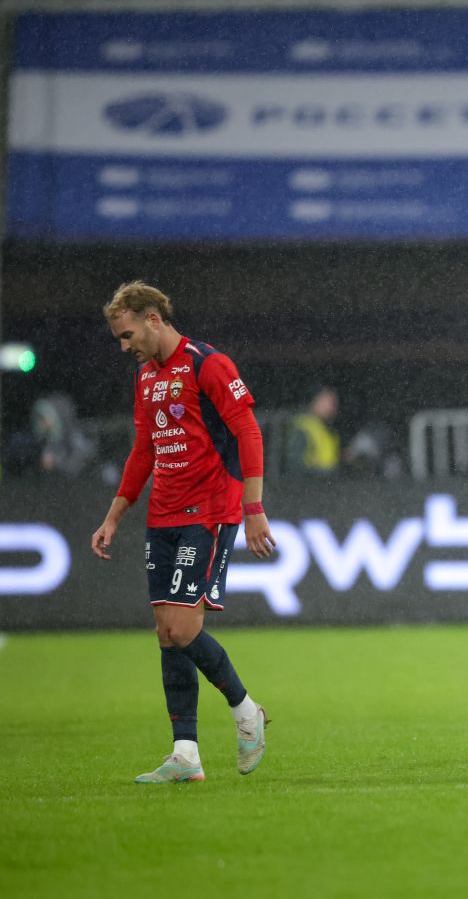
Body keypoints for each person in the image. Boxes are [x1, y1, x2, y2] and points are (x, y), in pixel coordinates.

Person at [90, 281, 275, 783]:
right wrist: (114, 516)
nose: (124, 346)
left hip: (209, 511)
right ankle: (186, 755)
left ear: (153, 319)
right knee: (166, 634)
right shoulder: (146, 378)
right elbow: (144, 450)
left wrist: (253, 507)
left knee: (182, 629)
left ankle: (246, 712)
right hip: (163, 516)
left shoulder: (207, 364)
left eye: (127, 334)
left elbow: (248, 431)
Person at [287, 385, 341, 476]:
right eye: (328, 402)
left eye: (334, 403)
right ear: (315, 401)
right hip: (309, 482)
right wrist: (320, 473)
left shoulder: (326, 428)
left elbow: (330, 460)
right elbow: (294, 465)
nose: (332, 407)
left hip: (326, 482)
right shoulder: (302, 427)